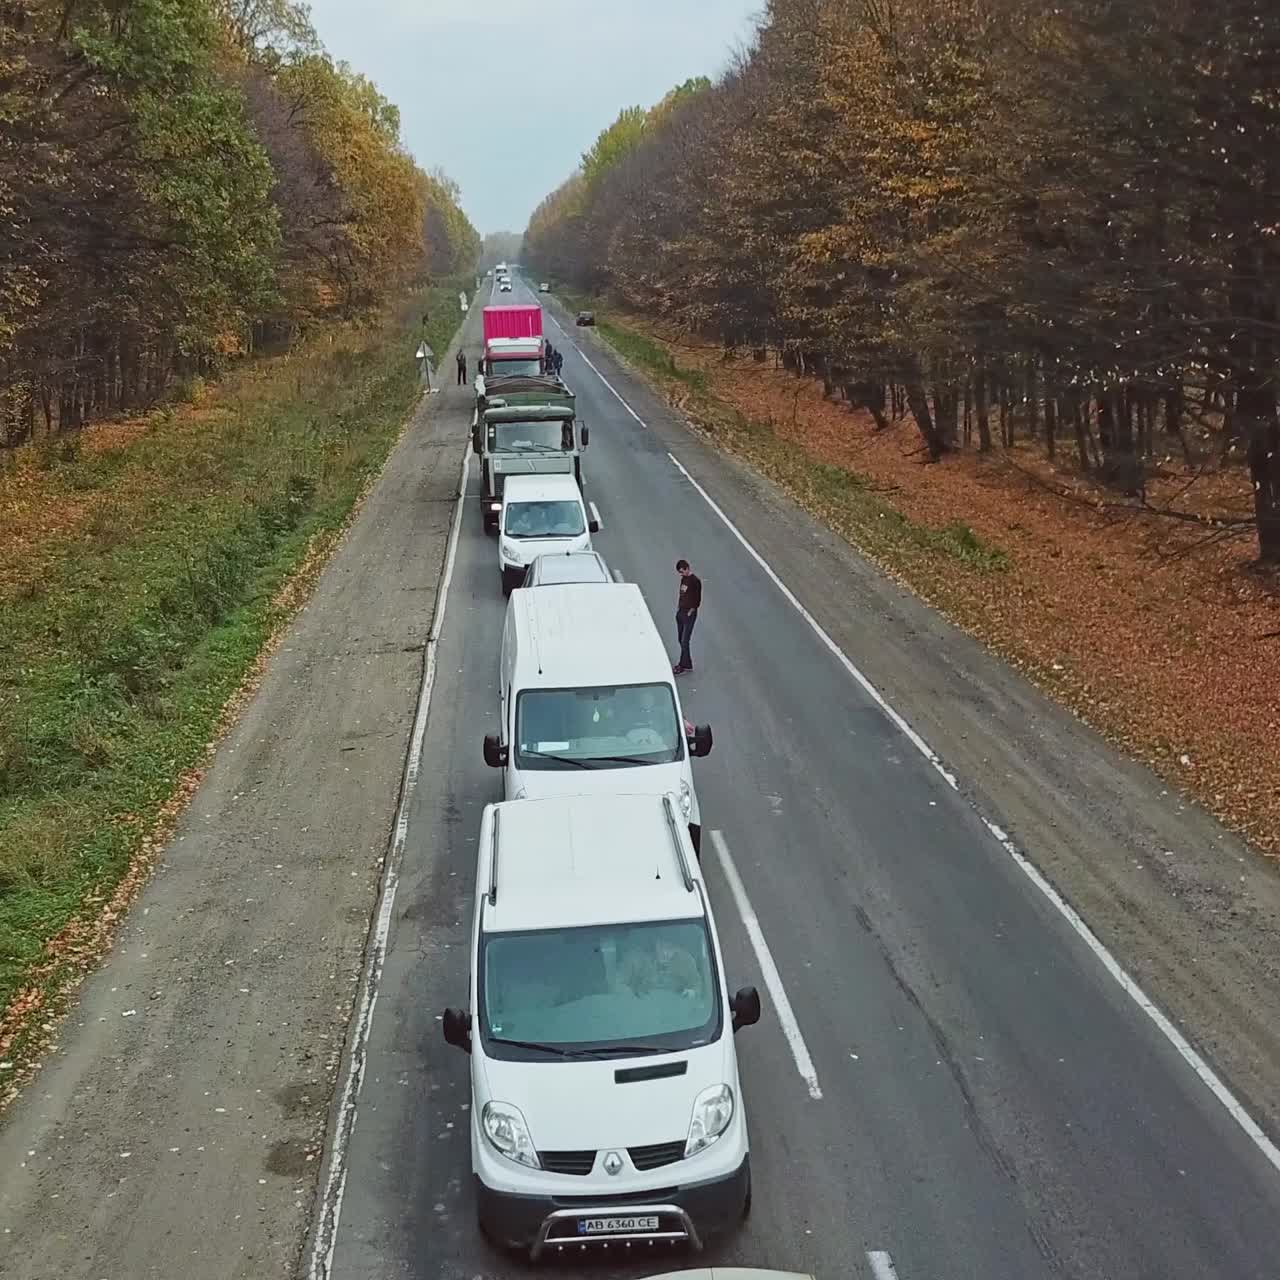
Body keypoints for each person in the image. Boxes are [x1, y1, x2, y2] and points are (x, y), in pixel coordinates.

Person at [673, 558, 701, 674]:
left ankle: (682, 665)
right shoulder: (683, 579)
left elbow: (697, 599)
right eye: (679, 572)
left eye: (682, 571)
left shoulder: (695, 581)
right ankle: (687, 663)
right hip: (681, 611)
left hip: (689, 613)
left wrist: (691, 611)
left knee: (685, 640)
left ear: (687, 568)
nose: (681, 574)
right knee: (681, 639)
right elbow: (682, 594)